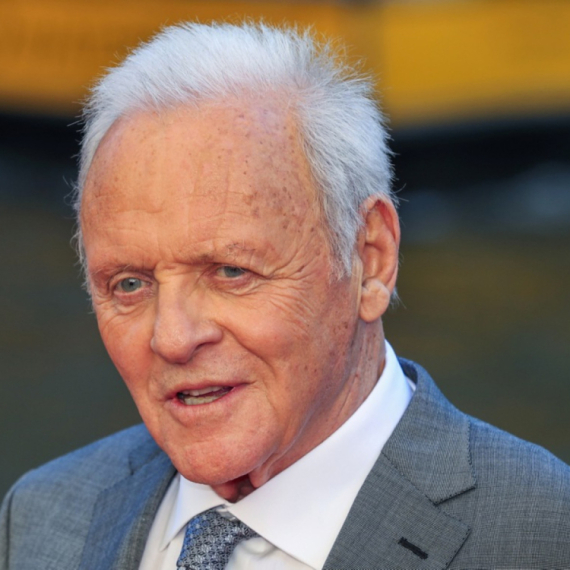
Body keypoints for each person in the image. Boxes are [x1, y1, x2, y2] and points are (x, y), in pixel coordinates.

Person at [1, 22, 569, 570]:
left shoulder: (543, 537)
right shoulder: (39, 516)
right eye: (129, 284)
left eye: (230, 272)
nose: (172, 338)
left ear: (370, 260)